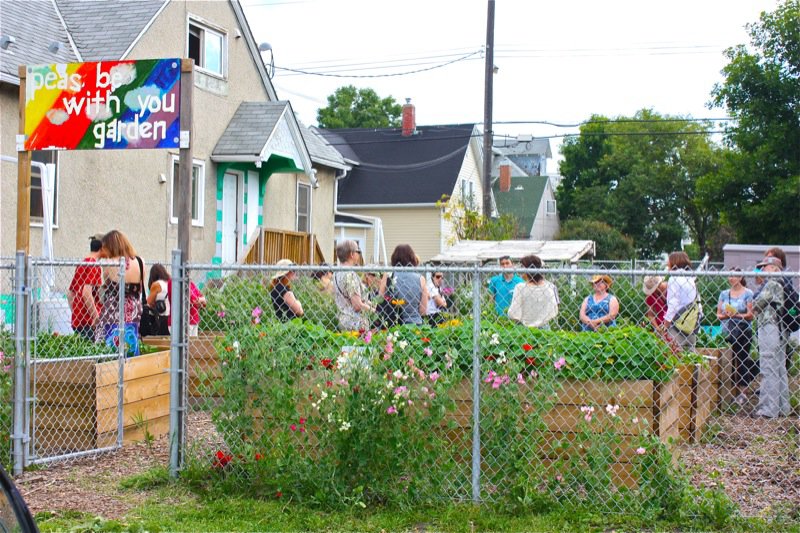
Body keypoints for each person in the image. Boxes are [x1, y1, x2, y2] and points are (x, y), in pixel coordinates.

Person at [95, 230, 144, 355]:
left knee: (109, 342)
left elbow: (106, 282)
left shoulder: (110, 263)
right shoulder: (140, 262)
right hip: (134, 307)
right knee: (131, 341)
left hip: (114, 308)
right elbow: (141, 286)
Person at [752, 256, 790, 418]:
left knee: (768, 368)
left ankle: (768, 410)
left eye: (765, 266)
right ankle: (782, 407)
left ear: (774, 268)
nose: (761, 270)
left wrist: (753, 303)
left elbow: (757, 303)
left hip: (770, 327)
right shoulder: (784, 283)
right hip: (781, 329)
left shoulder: (772, 283)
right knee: (779, 368)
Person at [716, 267, 756, 406]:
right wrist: (726, 315)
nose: (731, 278)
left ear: (740, 277)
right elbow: (718, 314)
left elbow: (750, 315)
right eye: (730, 276)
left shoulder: (748, 293)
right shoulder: (724, 294)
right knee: (729, 360)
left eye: (734, 276)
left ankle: (743, 393)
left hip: (743, 331)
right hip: (728, 331)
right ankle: (730, 391)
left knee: (742, 360)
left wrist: (736, 315)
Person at [379, 244, 428, 325]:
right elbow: (423, 310)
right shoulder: (421, 279)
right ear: (412, 258)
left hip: (393, 323)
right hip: (415, 324)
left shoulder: (388, 275)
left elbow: (380, 298)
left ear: (394, 258)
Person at [67, 234, 103, 342]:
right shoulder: (94, 265)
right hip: (89, 321)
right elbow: (86, 293)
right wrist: (95, 317)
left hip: (78, 320)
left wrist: (76, 312)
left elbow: (70, 293)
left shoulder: (82, 263)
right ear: (102, 248)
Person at [507, 254, 559, 328]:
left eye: (522, 267)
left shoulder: (520, 287)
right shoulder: (550, 287)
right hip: (544, 327)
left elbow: (514, 312)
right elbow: (554, 309)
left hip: (523, 328)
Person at [332, 240, 374, 331]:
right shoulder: (350, 275)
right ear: (351, 254)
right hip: (355, 323)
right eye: (358, 251)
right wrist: (375, 312)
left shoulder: (336, 273)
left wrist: (370, 304)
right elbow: (357, 305)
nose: (359, 254)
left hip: (343, 319)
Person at [662, 251, 698, 352]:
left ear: (674, 262)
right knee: (692, 357)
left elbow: (673, 304)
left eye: (669, 262)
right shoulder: (690, 278)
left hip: (677, 328)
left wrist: (665, 325)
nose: (667, 264)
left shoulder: (674, 278)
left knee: (674, 356)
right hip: (690, 326)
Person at [143, 263, 171, 336]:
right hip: (171, 316)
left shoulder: (157, 284)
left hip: (162, 318)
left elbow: (149, 303)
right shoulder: (170, 282)